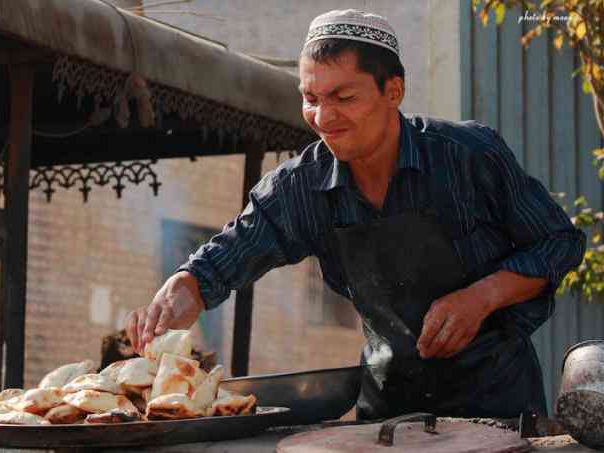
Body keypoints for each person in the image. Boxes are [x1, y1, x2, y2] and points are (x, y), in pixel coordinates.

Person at [127, 9, 586, 419]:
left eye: (343, 98)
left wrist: (481, 297)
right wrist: (179, 293)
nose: (323, 117)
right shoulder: (298, 189)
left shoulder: (467, 155)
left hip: (499, 402)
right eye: (310, 97)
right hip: (388, 411)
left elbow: (558, 242)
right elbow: (218, 265)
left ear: (394, 91)